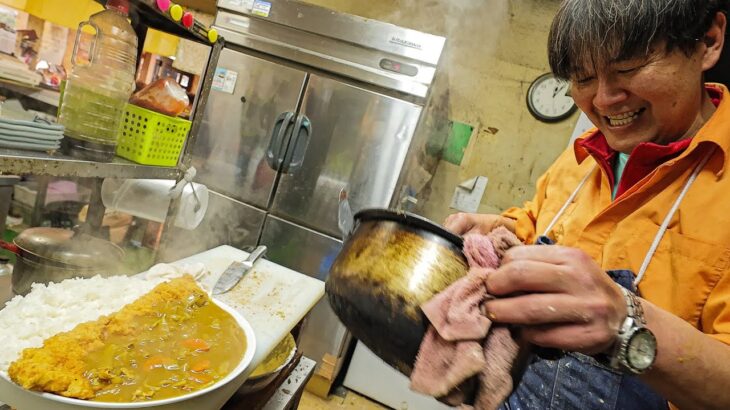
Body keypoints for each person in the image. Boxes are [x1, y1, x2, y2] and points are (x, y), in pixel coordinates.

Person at [444, 1, 730, 409]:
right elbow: (536, 219)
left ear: (708, 41)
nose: (604, 100)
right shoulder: (583, 158)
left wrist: (626, 326)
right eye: (582, 78)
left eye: (628, 69)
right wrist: (497, 230)